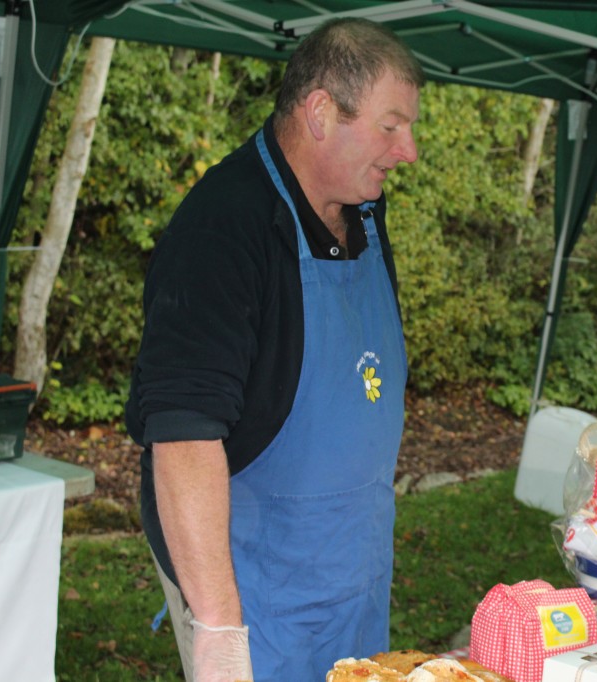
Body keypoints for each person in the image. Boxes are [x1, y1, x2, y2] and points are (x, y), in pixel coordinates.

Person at [125, 17, 423, 681]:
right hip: (254, 597)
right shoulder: (222, 227)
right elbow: (183, 438)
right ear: (321, 113)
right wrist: (221, 634)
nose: (409, 151)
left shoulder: (366, 217)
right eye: (391, 125)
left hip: (354, 581)